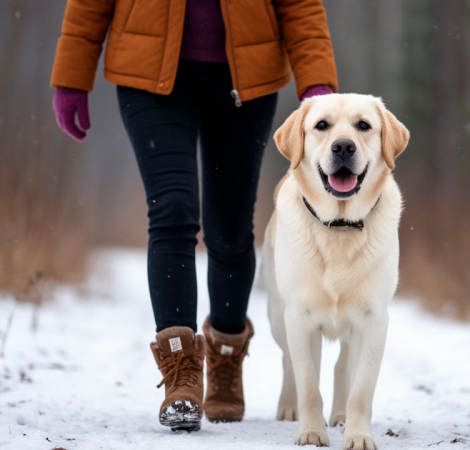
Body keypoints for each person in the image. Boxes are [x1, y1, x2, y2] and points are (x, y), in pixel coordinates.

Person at [50, 0, 338, 432]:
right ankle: (181, 373)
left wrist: (317, 82)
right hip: (148, 73)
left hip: (247, 78)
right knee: (172, 209)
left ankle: (225, 355)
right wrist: (71, 78)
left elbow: (299, 5)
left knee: (230, 227)